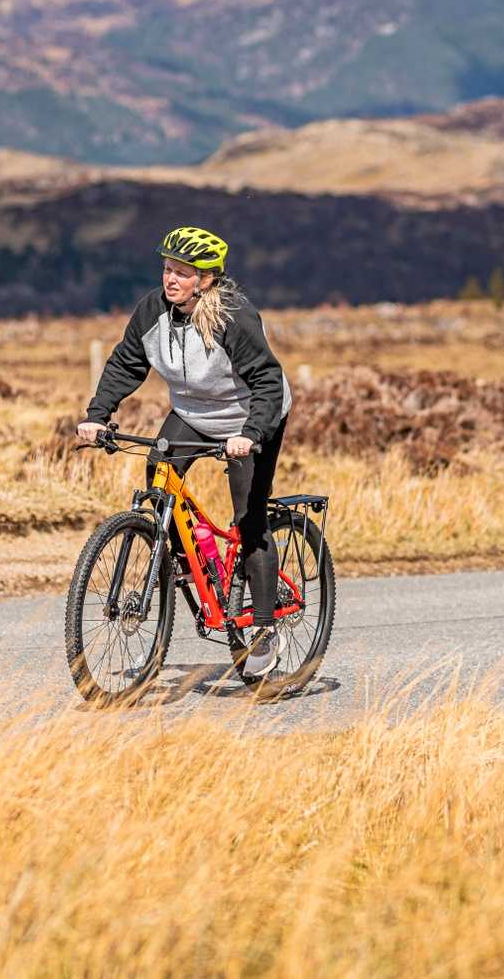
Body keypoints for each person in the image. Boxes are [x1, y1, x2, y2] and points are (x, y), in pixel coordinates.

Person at [78, 226, 294, 677]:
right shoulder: (153, 310)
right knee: (159, 481)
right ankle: (179, 559)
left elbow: (267, 382)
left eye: (182, 272)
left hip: (249, 418)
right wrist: (98, 414)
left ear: (207, 278)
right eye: (166, 269)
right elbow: (125, 362)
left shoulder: (232, 315)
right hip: (193, 415)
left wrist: (251, 433)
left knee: (249, 517)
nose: (170, 279)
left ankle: (265, 628)